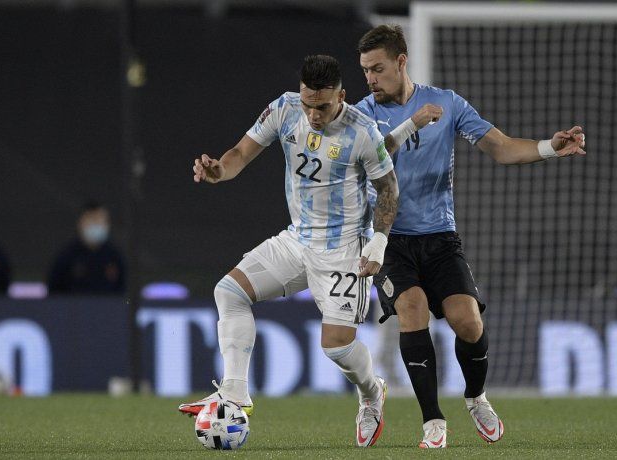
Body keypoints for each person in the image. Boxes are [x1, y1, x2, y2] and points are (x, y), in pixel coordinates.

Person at [355, 25, 586, 448]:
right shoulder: (363, 113)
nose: (370, 79)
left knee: (468, 321)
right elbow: (369, 158)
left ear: (401, 62)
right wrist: (412, 123)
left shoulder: (447, 102)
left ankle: (476, 396)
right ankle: (432, 421)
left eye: (378, 69)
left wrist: (550, 147)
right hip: (388, 238)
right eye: (366, 71)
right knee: (413, 308)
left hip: (440, 237)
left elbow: (500, 147)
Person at [179, 55, 399, 448]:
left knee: (337, 347)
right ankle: (234, 391)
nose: (313, 115)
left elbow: (388, 189)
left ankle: (371, 392)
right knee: (228, 291)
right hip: (297, 239)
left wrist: (379, 242)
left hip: (344, 251)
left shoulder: (363, 131)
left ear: (342, 97)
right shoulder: (283, 109)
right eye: (308, 104)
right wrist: (218, 171)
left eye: (323, 106)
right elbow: (239, 154)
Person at [47, 202, 126, 294]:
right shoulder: (66, 256)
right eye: (92, 220)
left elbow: (123, 292)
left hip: (108, 307)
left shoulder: (115, 256)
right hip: (73, 307)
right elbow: (53, 291)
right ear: (80, 223)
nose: (96, 225)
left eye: (99, 220)